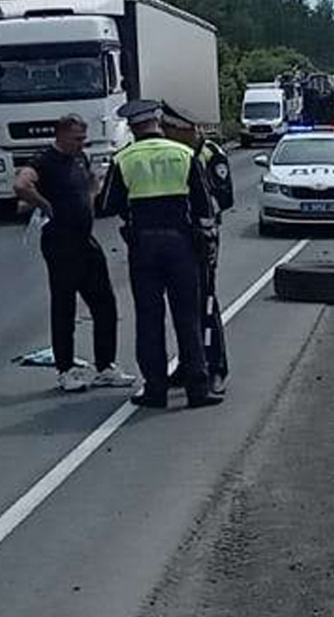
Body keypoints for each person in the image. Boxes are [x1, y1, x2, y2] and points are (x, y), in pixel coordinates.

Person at [99, 100, 219, 408]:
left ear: (132, 127)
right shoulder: (183, 154)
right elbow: (205, 205)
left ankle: (155, 389)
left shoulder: (124, 159)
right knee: (188, 318)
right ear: (157, 121)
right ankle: (197, 388)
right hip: (181, 245)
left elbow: (107, 205)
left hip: (143, 247)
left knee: (149, 320)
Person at [13, 114, 134, 394]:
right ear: (62, 135)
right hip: (60, 242)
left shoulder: (81, 159)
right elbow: (21, 185)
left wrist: (90, 198)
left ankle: (106, 366)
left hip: (85, 240)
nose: (82, 143)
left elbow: (92, 183)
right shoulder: (44, 160)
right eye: (77, 138)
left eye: (83, 138)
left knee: (105, 302)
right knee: (64, 306)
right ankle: (65, 370)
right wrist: (44, 204)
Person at [162, 109, 234, 393]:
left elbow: (224, 197)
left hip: (202, 237)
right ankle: (190, 362)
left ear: (186, 129)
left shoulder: (209, 154)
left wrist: (196, 211)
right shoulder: (173, 153)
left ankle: (215, 367)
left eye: (171, 128)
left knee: (205, 302)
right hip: (177, 238)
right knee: (182, 305)